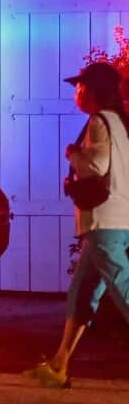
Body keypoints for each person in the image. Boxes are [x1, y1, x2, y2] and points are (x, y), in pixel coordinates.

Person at [25, 61, 129, 387]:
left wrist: (73, 154)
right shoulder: (119, 124)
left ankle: (59, 366)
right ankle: (59, 365)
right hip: (115, 220)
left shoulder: (100, 122)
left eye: (81, 87)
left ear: (95, 91)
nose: (76, 92)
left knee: (124, 290)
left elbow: (96, 167)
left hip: (104, 222)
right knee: (82, 295)